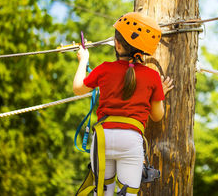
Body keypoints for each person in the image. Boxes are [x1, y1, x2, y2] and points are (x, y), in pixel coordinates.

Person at [73, 12, 174, 196]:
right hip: (130, 140)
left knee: (103, 192)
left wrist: (83, 61)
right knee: (128, 193)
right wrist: (160, 94)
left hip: (103, 138)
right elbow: (157, 116)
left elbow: (78, 88)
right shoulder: (152, 77)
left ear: (117, 44)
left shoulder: (104, 68)